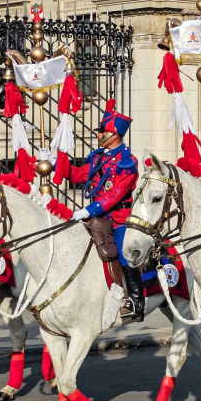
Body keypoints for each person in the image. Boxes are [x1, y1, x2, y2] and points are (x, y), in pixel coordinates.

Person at [63, 100, 143, 321]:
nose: (99, 135)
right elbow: (79, 175)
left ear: (114, 134)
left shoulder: (127, 162)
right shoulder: (99, 157)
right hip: (98, 217)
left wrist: (88, 210)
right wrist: (58, 162)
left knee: (124, 252)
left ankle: (135, 300)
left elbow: (114, 194)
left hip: (119, 218)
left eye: (102, 131)